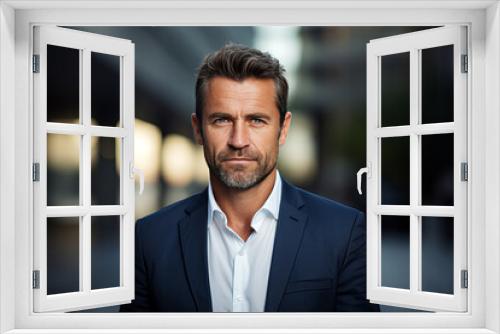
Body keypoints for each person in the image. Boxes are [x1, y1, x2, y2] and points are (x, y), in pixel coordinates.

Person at [120, 44, 379, 312]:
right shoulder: (150, 238)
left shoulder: (343, 233)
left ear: (283, 129)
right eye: (221, 120)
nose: (238, 141)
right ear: (198, 130)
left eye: (256, 120)